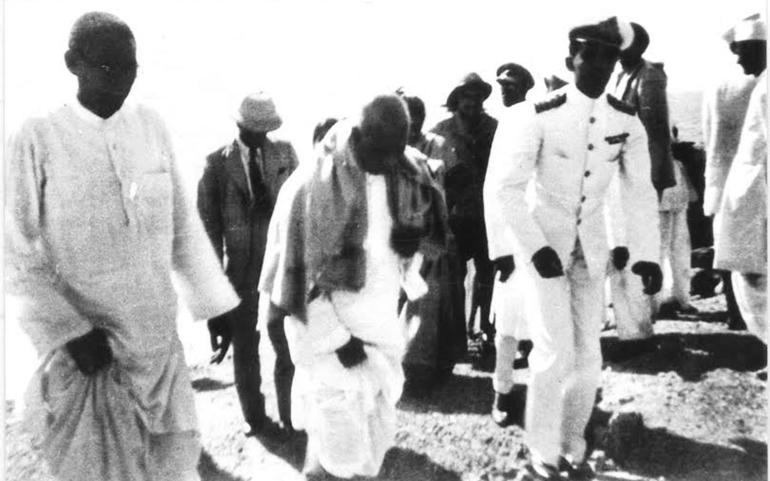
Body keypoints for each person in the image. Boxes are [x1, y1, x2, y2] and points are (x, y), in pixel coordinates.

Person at [5, 12, 239, 481]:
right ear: (72, 63)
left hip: (159, 352)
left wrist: (216, 306)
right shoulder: (38, 136)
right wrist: (72, 333)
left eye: (130, 67)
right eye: (107, 67)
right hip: (89, 364)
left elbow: (183, 226)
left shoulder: (150, 126)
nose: (121, 79)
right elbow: (14, 253)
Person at [486, 17, 662, 480]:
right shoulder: (539, 114)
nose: (601, 64)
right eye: (591, 55)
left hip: (591, 251)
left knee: (589, 355)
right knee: (551, 352)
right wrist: (534, 245)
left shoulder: (625, 120)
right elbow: (506, 188)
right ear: (571, 61)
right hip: (543, 247)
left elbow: (639, 190)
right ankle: (543, 455)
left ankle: (573, 445)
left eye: (609, 56)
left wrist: (646, 253)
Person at [259, 94, 446, 479]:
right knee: (337, 451)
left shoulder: (405, 172)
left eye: (398, 151)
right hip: (330, 343)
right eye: (383, 152)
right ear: (360, 136)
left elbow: (422, 241)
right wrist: (337, 340)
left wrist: (411, 249)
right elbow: (298, 279)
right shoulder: (311, 187)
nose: (392, 162)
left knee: (364, 453)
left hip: (381, 335)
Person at [197, 92, 299, 435]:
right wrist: (213, 292)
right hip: (239, 273)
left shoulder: (285, 154)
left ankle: (291, 415)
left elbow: (299, 206)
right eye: (254, 129)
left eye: (265, 130)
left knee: (287, 341)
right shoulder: (216, 164)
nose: (260, 136)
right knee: (245, 346)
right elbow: (208, 231)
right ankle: (254, 416)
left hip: (281, 265)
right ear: (240, 125)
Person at [608, 22, 692, 356]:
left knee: (641, 251)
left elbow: (655, 133)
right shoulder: (622, 75)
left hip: (642, 177)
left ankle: (639, 331)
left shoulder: (649, 77)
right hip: (622, 175)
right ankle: (633, 324)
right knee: (626, 250)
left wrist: (654, 183)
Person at [399, 93, 465, 392]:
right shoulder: (390, 144)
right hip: (400, 231)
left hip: (431, 230)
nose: (412, 123)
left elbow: (455, 177)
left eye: (416, 117)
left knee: (431, 299)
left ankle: (425, 365)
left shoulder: (436, 144)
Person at [431, 72, 498, 344]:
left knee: (487, 273)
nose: (472, 102)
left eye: (477, 97)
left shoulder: (494, 128)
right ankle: (457, 333)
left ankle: (484, 328)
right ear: (456, 100)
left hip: (486, 213)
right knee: (454, 276)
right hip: (455, 215)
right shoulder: (441, 131)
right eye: (466, 97)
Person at [712, 14, 767, 345]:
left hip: (757, 197)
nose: (738, 58)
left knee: (754, 279)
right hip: (750, 196)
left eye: (744, 50)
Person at [486, 62, 536, 427]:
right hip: (509, 241)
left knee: (537, 323)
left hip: (536, 234)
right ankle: (502, 393)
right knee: (506, 323)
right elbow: (493, 189)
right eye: (502, 86)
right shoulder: (506, 124)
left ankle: (537, 396)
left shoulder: (535, 119)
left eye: (511, 86)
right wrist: (498, 249)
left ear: (525, 89)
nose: (505, 91)